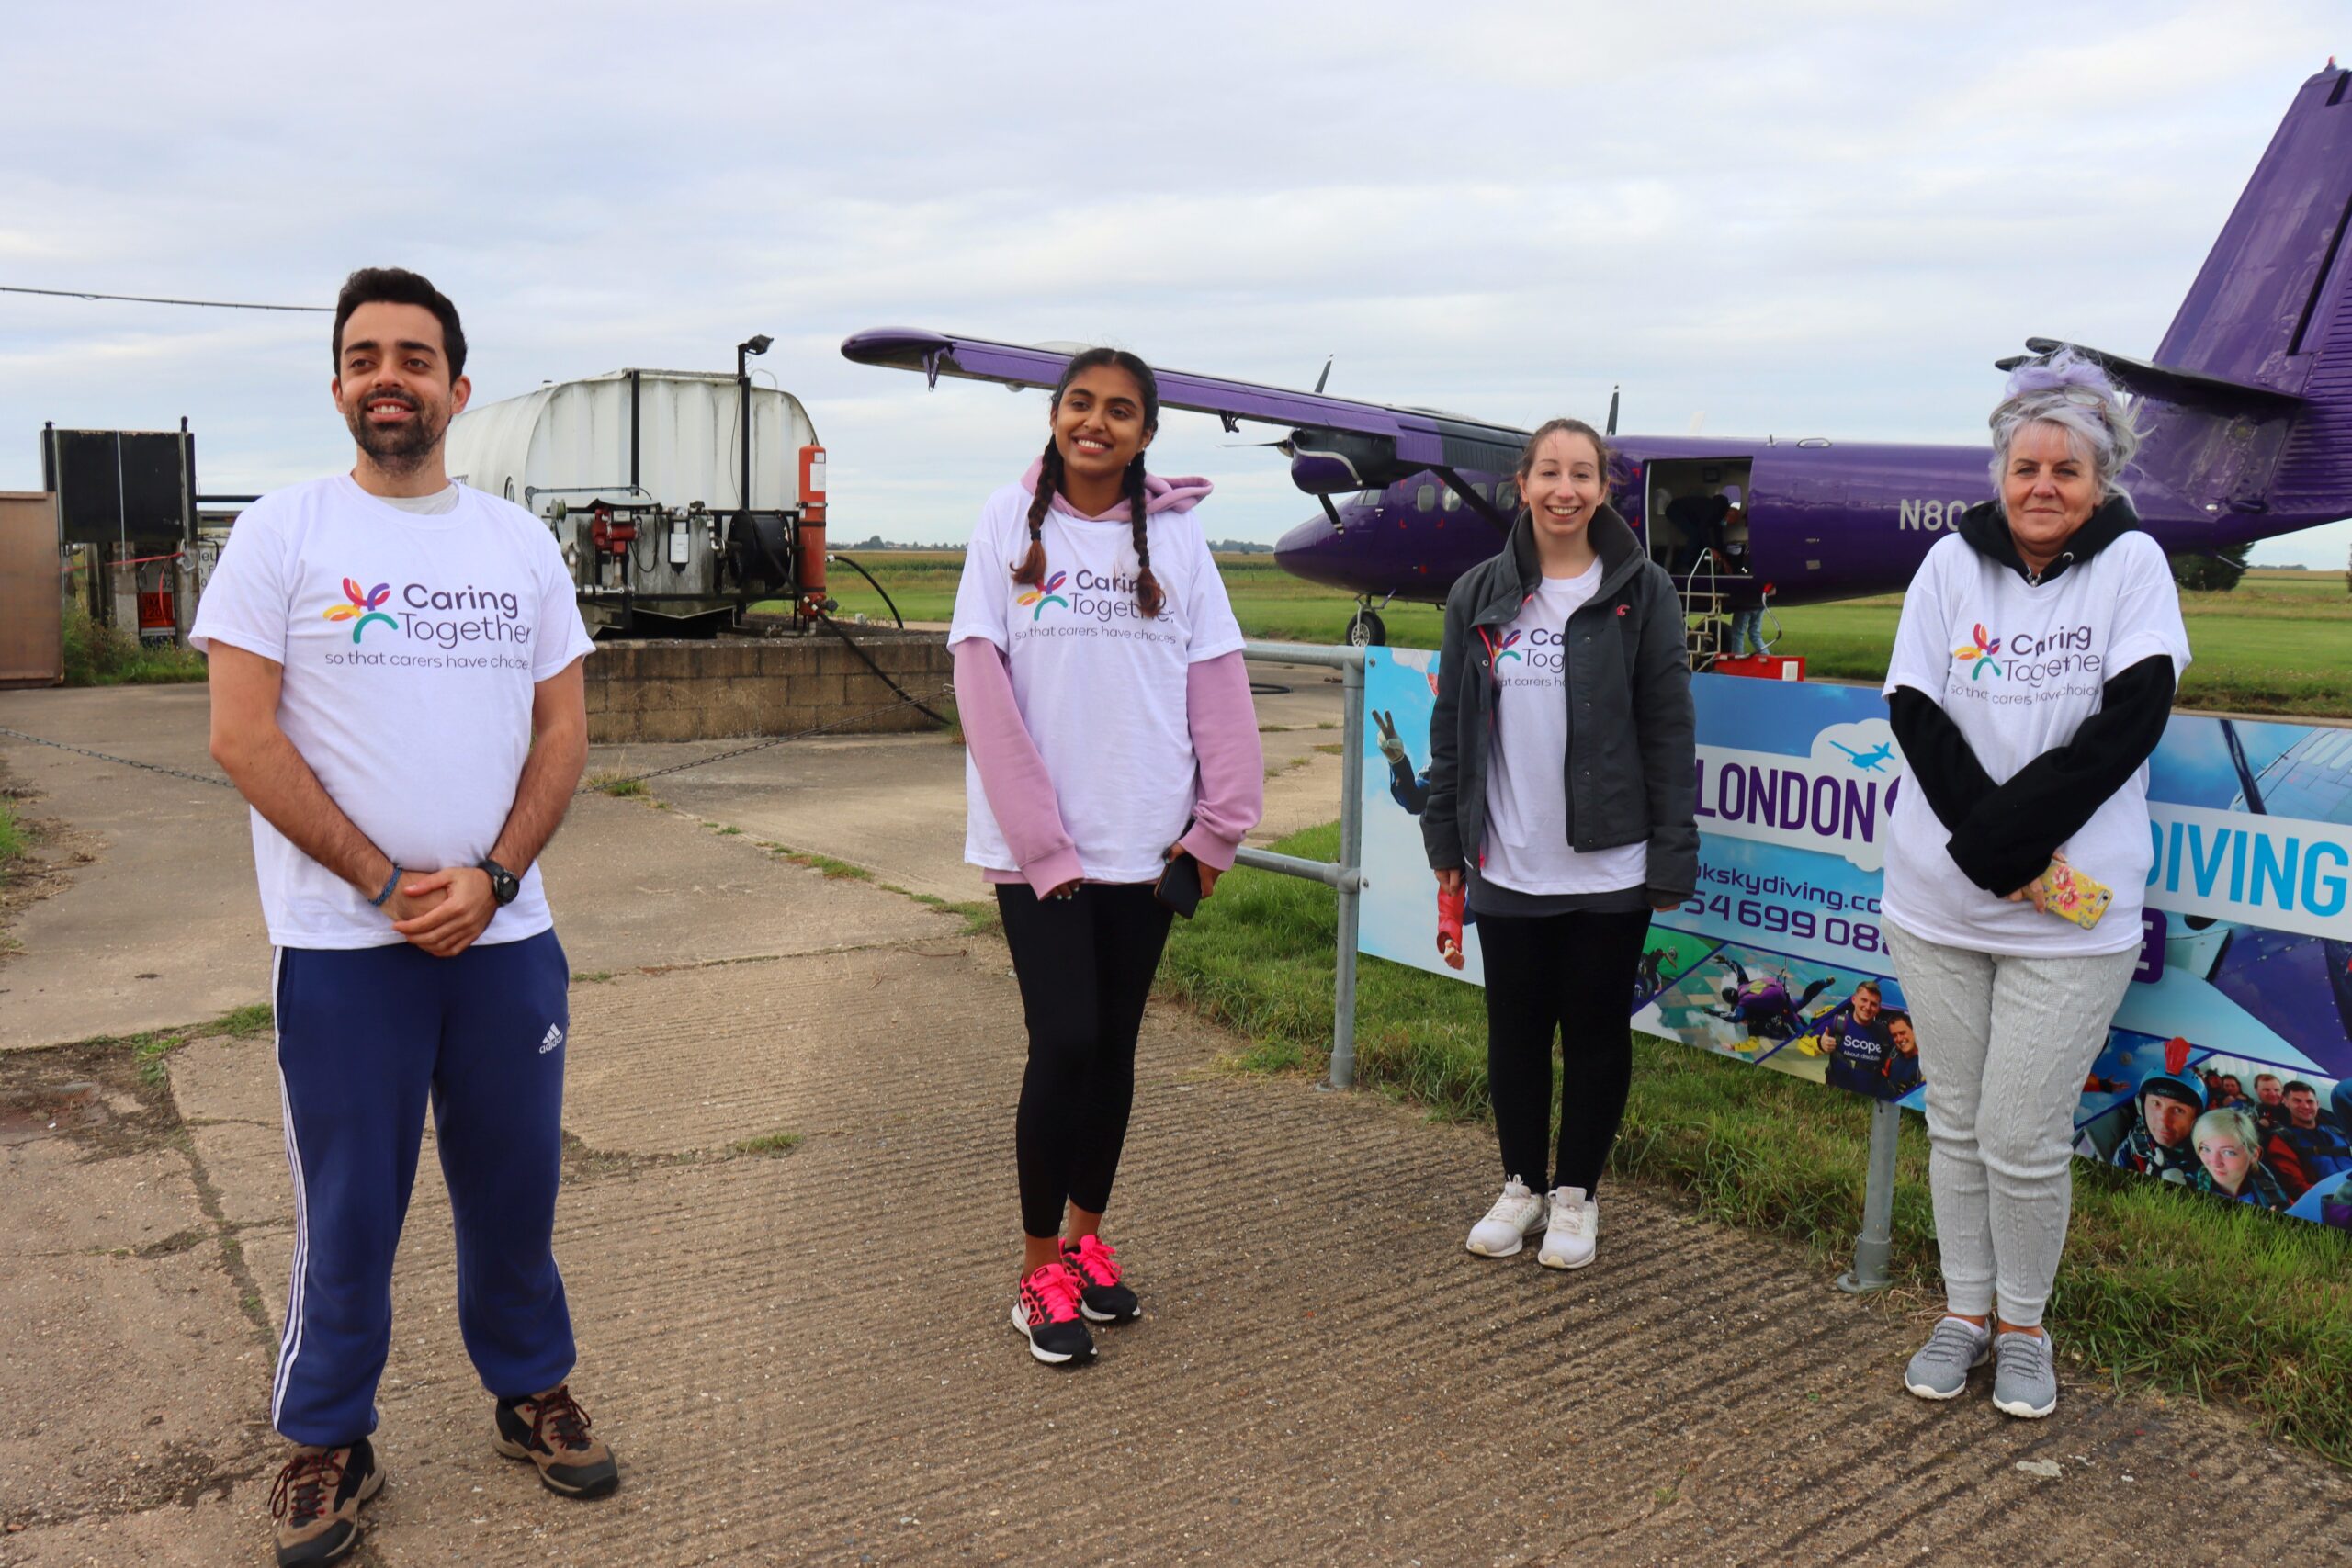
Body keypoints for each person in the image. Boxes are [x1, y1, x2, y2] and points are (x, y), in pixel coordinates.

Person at [191, 268, 616, 1567]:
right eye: (366, 354)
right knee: (350, 1201)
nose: (392, 375)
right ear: (337, 386)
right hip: (343, 947)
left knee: (514, 1183)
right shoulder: (284, 533)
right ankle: (327, 1433)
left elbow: (564, 730)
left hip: (506, 937)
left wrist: (490, 872)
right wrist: (384, 881)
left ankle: (530, 1387)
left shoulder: (517, 544)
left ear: (456, 389)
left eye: (416, 356)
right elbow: (239, 733)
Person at [1880, 352, 2189, 1421]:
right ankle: (1963, 1313)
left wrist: (2011, 848)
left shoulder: (2132, 566)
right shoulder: (1946, 569)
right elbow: (1917, 711)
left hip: (2069, 919)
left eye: (2067, 467)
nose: (2043, 485)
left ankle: (2024, 1326)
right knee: (1956, 1126)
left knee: (2020, 1136)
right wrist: (1990, 851)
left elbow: (2129, 720)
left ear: (2098, 478)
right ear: (1999, 471)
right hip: (1936, 904)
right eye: (2025, 465)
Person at [948, 347, 1262, 1367]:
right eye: (1079, 404)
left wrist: (1218, 826)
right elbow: (982, 689)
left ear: (1146, 431)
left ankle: (1086, 1241)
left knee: (1117, 1046)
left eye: (1119, 411)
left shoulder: (1178, 539)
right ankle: (1038, 1267)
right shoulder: (1005, 521)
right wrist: (1040, 843)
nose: (1096, 422)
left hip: (1145, 839)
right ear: (1053, 417)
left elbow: (1216, 681)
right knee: (1066, 1040)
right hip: (1040, 851)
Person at [1422, 417, 1696, 1272]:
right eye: (1550, 472)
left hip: (1609, 863)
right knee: (1513, 1032)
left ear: (1603, 488)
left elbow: (1666, 724)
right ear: (1524, 485)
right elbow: (1450, 727)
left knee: (1594, 1033)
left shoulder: (1641, 591)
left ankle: (1576, 1194)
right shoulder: (1480, 592)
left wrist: (1669, 852)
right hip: (1508, 857)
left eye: (1583, 473)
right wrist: (1446, 843)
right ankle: (1519, 1186)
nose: (1565, 489)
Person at [2108, 1071, 2206, 1185]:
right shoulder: (2127, 1153)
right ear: (2141, 1107)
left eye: (2179, 1110)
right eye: (2156, 1103)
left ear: (2197, 1119)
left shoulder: (2214, 1154)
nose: (2163, 1121)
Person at [1706, 956, 1836, 1041]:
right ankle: (1824, 983)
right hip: (1785, 995)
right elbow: (1737, 967)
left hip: (1784, 1010)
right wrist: (1726, 960)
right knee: (1805, 999)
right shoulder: (1742, 984)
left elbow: (1735, 1018)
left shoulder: (1742, 1006)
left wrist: (1714, 1013)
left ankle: (1821, 1037)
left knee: (1802, 1034)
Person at [2262, 1080, 2352, 1199]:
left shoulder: (2337, 1130)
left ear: (2317, 1104)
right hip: (2332, 1198)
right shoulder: (2282, 1141)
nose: (2305, 1106)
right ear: (2285, 1102)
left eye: (2310, 1101)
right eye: (2297, 1101)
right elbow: (2298, 1186)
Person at [2191, 1108, 2292, 1211]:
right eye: (2205, 1149)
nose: (2215, 1162)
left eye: (2228, 1152)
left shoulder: (2276, 1197)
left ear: (2254, 1155)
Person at [1818, 980, 1895, 1095]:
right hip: (1834, 1093)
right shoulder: (1837, 1023)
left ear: (1879, 1008)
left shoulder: (1884, 1032)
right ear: (1854, 1000)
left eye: (1873, 1004)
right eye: (1864, 1000)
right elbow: (1804, 1040)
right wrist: (1820, 1043)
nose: (1868, 1007)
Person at [1880, 1011, 1924, 1099]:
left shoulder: (1928, 1064)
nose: (1899, 1039)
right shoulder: (1893, 1055)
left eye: (1903, 1033)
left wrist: (1915, 1094)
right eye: (1894, 1035)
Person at [2252, 1072, 2290, 1136]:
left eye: (2276, 1090)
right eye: (2266, 1090)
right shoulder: (2258, 1111)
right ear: (2256, 1090)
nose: (2273, 1094)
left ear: (2282, 1090)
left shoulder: (2291, 1108)